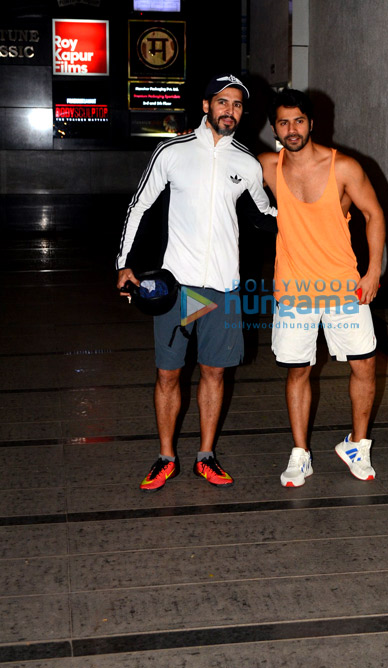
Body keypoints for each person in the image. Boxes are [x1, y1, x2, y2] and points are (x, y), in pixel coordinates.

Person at [117, 74, 276, 492]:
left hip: (221, 288)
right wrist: (124, 264)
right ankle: (166, 457)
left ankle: (206, 456)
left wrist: (320, 217)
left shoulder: (246, 162)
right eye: (222, 102)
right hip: (178, 286)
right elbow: (139, 206)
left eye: (238, 105)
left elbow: (266, 216)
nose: (230, 110)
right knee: (169, 374)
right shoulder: (172, 151)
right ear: (206, 106)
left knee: (213, 373)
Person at [258, 88, 385, 488]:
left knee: (364, 364)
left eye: (298, 120)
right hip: (294, 288)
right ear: (274, 127)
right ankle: (301, 454)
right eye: (283, 122)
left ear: (311, 122)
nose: (291, 129)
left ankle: (357, 445)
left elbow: (374, 213)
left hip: (344, 285)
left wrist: (373, 271)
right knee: (299, 370)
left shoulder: (343, 167)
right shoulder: (265, 165)